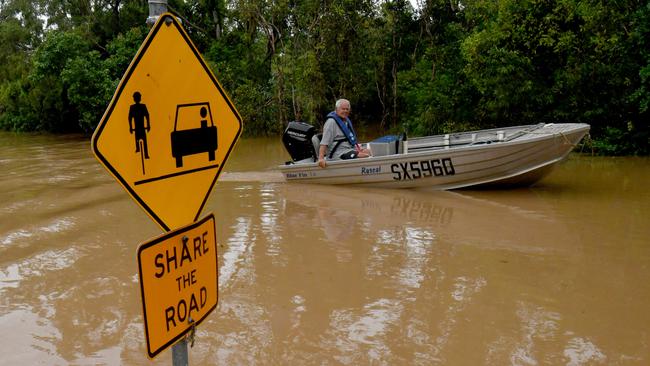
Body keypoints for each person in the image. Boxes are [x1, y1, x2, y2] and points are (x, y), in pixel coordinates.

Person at [318, 99, 371, 168]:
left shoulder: (345, 120)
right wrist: (321, 158)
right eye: (343, 109)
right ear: (336, 109)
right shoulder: (331, 122)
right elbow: (324, 142)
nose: (345, 111)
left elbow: (350, 138)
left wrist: (357, 148)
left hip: (348, 149)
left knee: (369, 151)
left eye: (347, 109)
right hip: (338, 154)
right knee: (364, 155)